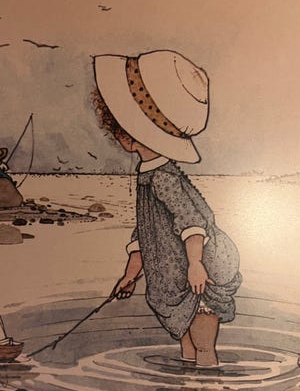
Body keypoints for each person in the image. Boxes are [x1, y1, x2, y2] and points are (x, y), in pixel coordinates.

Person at [92, 49, 242, 367]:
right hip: (174, 279)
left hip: (196, 277)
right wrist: (130, 275)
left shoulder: (163, 177)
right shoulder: (149, 174)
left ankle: (208, 390)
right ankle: (188, 389)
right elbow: (146, 232)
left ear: (132, 135)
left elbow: (191, 220)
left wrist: (196, 264)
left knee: (203, 347)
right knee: (187, 348)